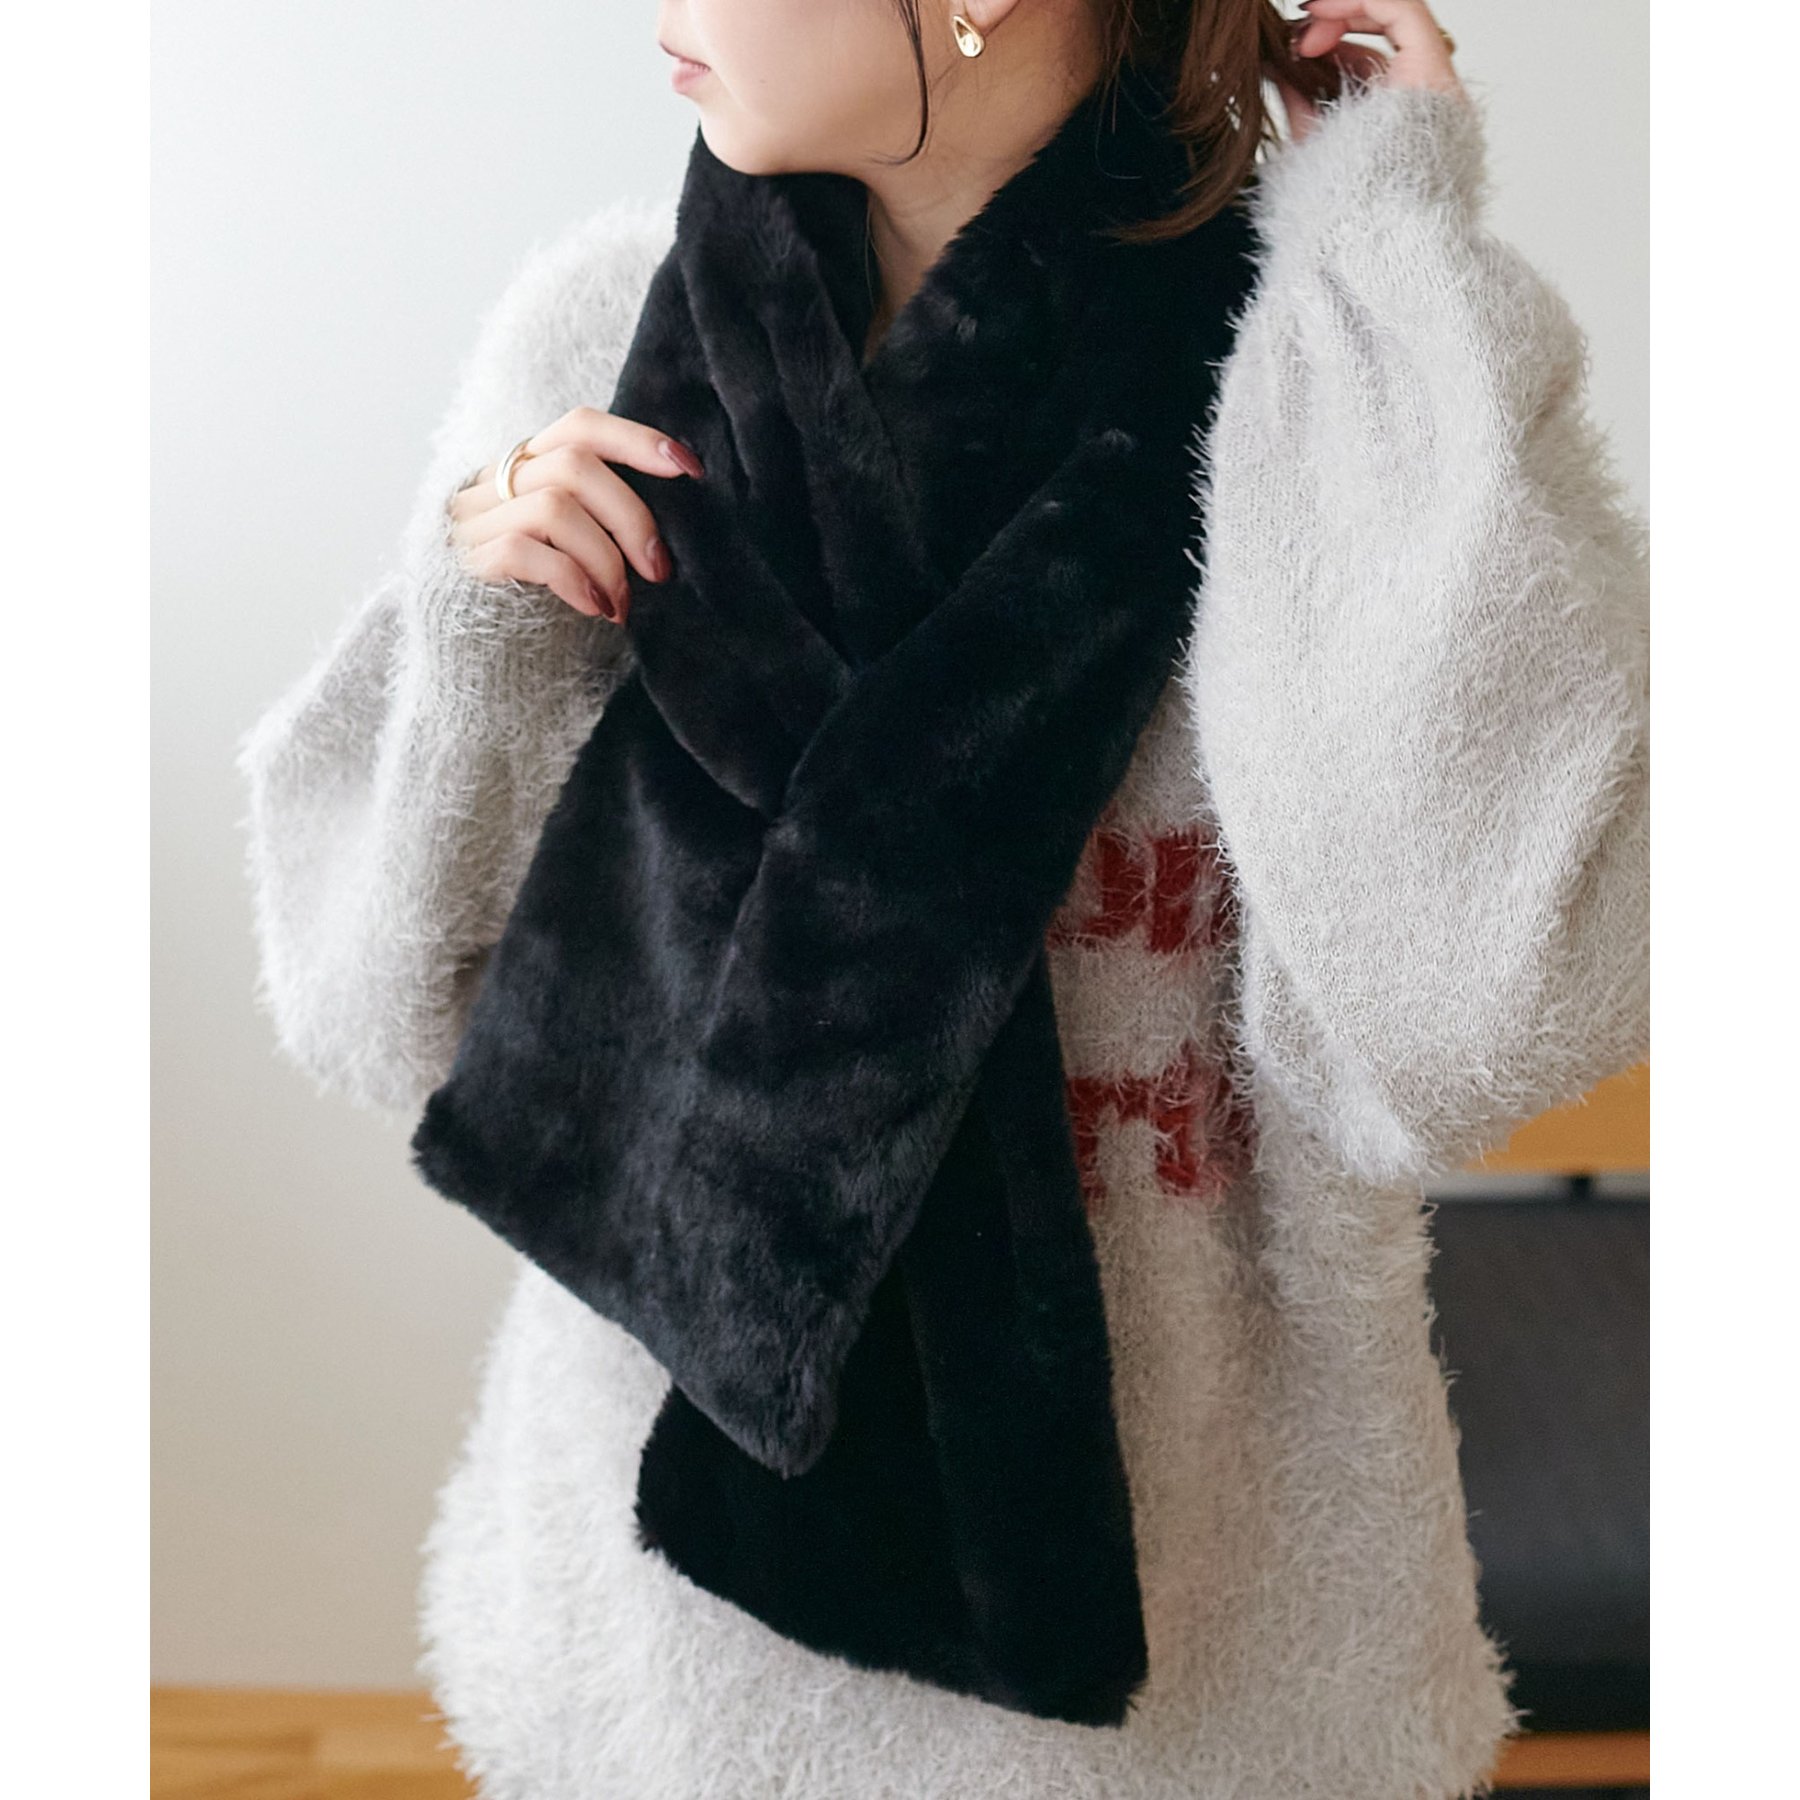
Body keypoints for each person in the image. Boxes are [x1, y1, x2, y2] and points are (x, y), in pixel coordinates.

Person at [233, 2, 1649, 1795]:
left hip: (1203, 1645)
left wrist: (1393, 252)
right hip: (653, 1630)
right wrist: (480, 628)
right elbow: (367, 1008)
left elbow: (1487, 1016)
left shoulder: (1317, 379)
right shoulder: (605, 346)